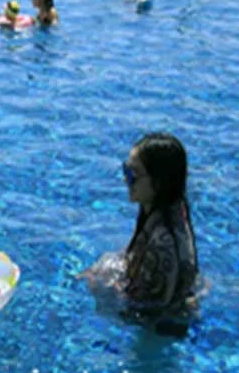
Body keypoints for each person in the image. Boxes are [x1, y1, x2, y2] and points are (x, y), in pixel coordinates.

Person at [79, 133, 199, 335]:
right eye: (125, 171)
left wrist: (101, 289)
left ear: (158, 181)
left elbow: (145, 313)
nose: (126, 180)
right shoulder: (171, 211)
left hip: (158, 333)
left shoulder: (162, 243)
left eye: (133, 174)